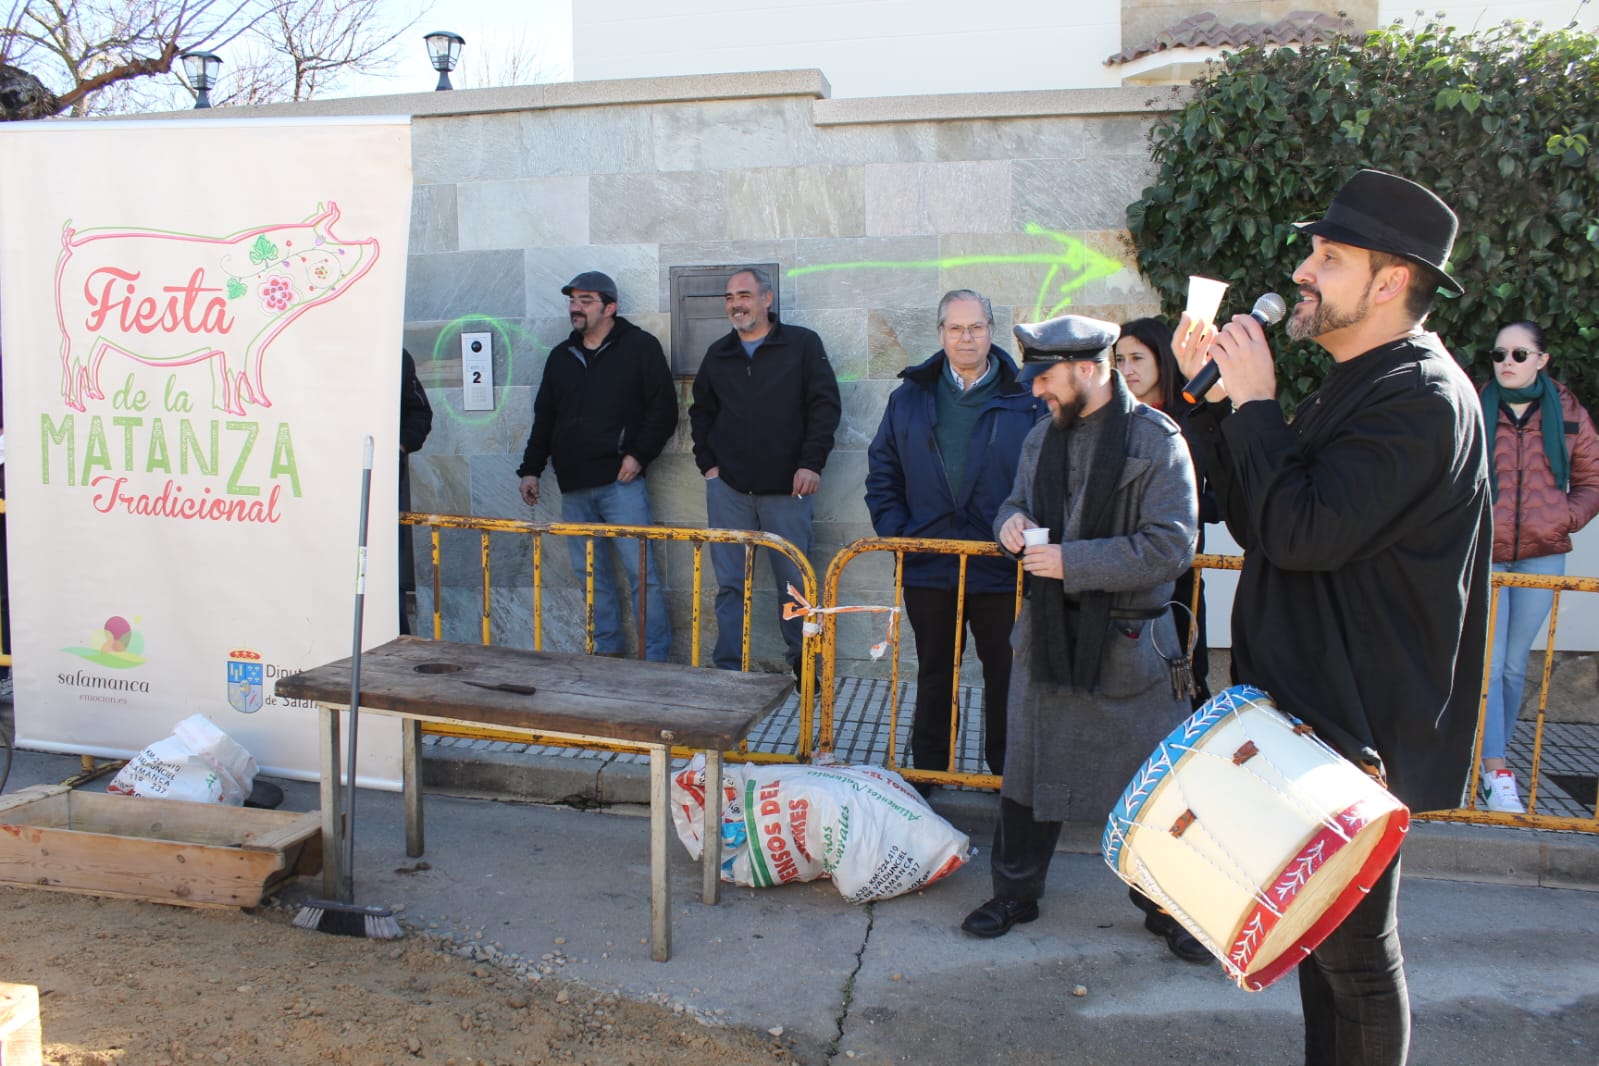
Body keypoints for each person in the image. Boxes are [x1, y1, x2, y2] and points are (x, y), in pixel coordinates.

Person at [1173, 168, 1492, 1066]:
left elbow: (1303, 532)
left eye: (1328, 257)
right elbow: (1256, 512)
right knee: (1323, 949)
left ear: (1389, 281)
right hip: (1313, 718)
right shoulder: (1357, 380)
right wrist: (1210, 404)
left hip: (1362, 727)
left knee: (1353, 958)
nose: (1301, 271)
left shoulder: (1420, 398)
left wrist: (1260, 402)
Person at [959, 313, 1204, 968]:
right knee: (1027, 776)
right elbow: (1013, 502)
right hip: (1046, 637)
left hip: (1127, 647)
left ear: (1088, 372)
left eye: (1045, 378)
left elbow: (1172, 544)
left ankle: (1168, 909)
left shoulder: (1157, 441)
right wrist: (1009, 525)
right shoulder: (1042, 438)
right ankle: (1014, 894)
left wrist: (1072, 562)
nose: (1035, 390)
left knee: (1148, 791)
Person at [864, 289, 1045, 789]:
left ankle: (1007, 776)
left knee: (1005, 674)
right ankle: (928, 773)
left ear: (992, 330)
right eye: (956, 329)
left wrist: (1027, 529)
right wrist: (901, 536)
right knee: (935, 672)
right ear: (941, 333)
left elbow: (1046, 475)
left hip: (1001, 565)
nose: (967, 338)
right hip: (930, 563)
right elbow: (883, 473)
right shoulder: (910, 398)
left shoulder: (1025, 397)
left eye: (977, 327)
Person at [517, 270, 678, 661]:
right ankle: (606, 653)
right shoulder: (561, 357)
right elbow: (545, 418)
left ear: (610, 307)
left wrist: (638, 455)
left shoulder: (639, 347)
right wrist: (530, 468)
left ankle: (654, 659)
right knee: (592, 578)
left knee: (643, 576)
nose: (576, 307)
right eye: (573, 300)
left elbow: (664, 409)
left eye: (585, 300)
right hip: (574, 487)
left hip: (621, 484)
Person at [689, 267, 840, 680]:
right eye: (729, 297)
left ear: (766, 299)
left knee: (795, 582)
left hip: (788, 489)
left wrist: (811, 463)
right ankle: (728, 671)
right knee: (731, 585)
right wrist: (710, 466)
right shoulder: (718, 354)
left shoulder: (802, 345)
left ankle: (805, 668)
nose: (736, 304)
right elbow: (700, 412)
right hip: (729, 490)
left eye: (744, 295)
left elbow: (824, 406)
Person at [1477, 320, 1599, 812]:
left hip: (1542, 551)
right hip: (1484, 551)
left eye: (1520, 355)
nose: (1508, 362)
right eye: (1500, 353)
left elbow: (1592, 475)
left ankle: (1493, 755)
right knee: (1487, 661)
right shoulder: (1473, 402)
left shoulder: (1567, 410)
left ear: (1542, 360)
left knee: (1511, 664)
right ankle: (1492, 768)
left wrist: (1566, 515)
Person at [1116, 316, 1215, 707]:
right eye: (1119, 359)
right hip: (1124, 577)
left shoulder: (1190, 418)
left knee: (1185, 680)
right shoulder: (1113, 419)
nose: (1126, 369)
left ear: (1162, 361)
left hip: (1179, 577)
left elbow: (1218, 493)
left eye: (1137, 357)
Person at [398, 349, 433, 636]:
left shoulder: (394, 356)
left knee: (388, 574)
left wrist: (402, 444)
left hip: (381, 487)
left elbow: (420, 411)